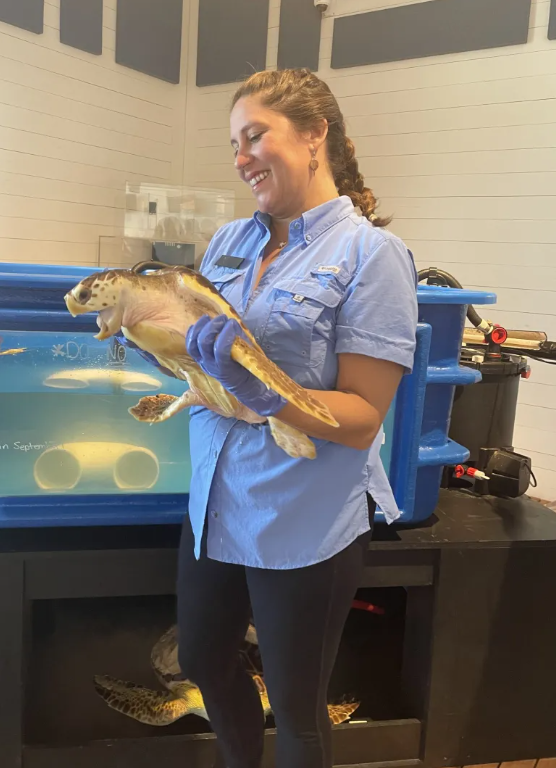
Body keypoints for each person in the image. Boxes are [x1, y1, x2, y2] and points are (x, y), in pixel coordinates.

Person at [124, 68, 418, 768]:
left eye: (255, 135)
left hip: (303, 513)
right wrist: (148, 336)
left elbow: (359, 416)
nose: (240, 156)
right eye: (234, 142)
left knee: (295, 705)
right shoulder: (227, 242)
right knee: (200, 653)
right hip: (216, 499)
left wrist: (263, 392)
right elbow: (198, 360)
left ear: (316, 134)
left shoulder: (371, 256)